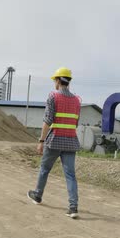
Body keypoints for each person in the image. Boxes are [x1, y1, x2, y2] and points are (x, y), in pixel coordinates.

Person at [27, 67, 82, 219]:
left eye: (54, 81)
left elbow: (47, 121)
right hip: (71, 142)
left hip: (54, 141)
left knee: (45, 169)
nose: (54, 83)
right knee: (70, 175)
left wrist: (41, 140)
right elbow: (76, 123)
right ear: (68, 81)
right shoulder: (77, 100)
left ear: (58, 81)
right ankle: (73, 207)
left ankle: (37, 195)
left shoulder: (53, 96)